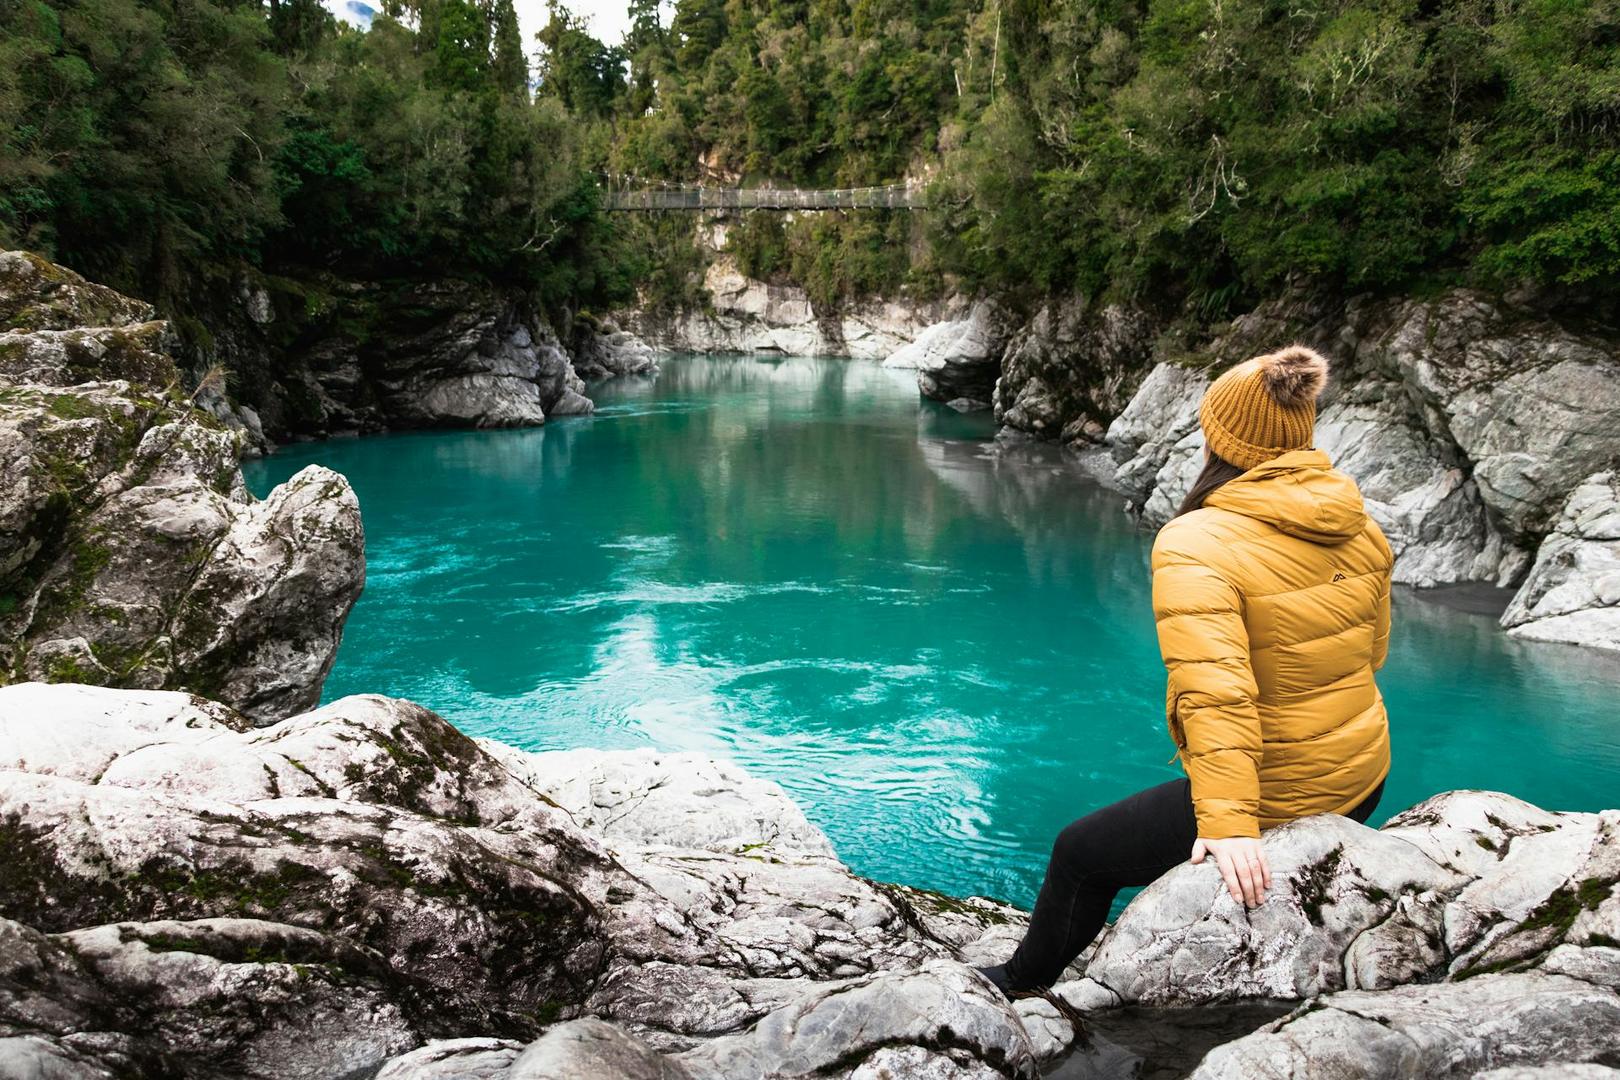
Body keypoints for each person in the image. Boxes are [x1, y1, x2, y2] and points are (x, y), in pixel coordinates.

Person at [978, 344, 1394, 997]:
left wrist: (1229, 823)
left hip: (1281, 796)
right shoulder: (1359, 524)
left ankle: (1018, 985)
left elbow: (1218, 693)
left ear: (1221, 440)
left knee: (1079, 854)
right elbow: (1370, 656)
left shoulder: (1196, 541)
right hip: (1364, 774)